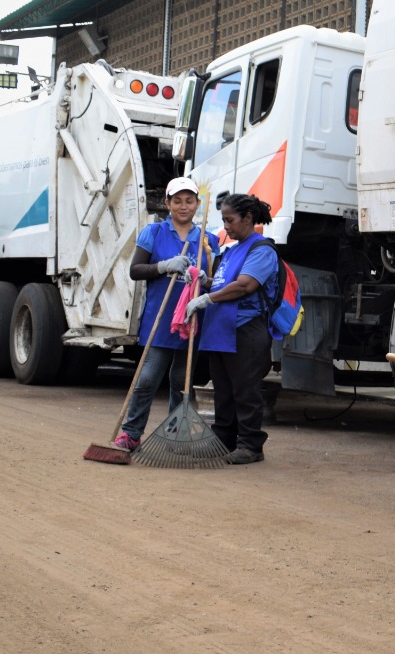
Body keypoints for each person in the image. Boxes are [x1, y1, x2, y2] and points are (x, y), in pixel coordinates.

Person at [112, 176, 220, 452]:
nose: (183, 206)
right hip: (159, 320)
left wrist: (205, 281)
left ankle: (175, 434)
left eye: (189, 201)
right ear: (167, 203)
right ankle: (131, 434)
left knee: (180, 381)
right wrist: (163, 266)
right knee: (147, 379)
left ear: (198, 204)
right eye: (177, 201)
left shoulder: (207, 239)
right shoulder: (154, 232)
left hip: (191, 319)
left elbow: (216, 280)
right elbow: (136, 270)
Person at [185, 193, 280, 465]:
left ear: (248, 218)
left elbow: (244, 285)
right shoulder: (233, 250)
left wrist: (207, 298)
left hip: (245, 330)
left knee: (245, 390)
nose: (225, 226)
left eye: (230, 220)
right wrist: (206, 282)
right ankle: (223, 440)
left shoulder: (261, 250)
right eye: (223, 220)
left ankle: (251, 445)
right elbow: (224, 282)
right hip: (221, 330)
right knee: (224, 391)